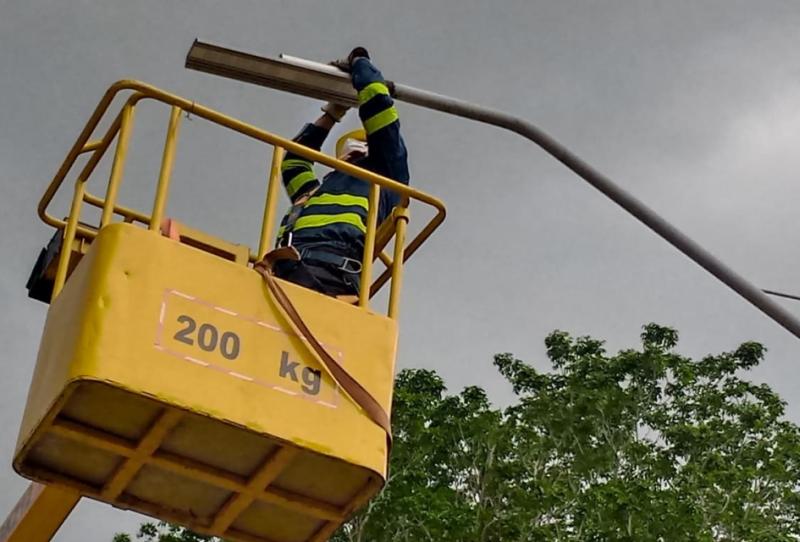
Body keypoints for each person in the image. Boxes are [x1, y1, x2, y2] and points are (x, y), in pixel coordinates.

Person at [266, 47, 409, 297]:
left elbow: (379, 109)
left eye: (362, 146)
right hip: (285, 270)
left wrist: (360, 62)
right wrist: (333, 112)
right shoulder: (313, 192)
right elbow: (292, 162)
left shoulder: (384, 178)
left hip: (332, 273)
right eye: (348, 149)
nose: (354, 152)